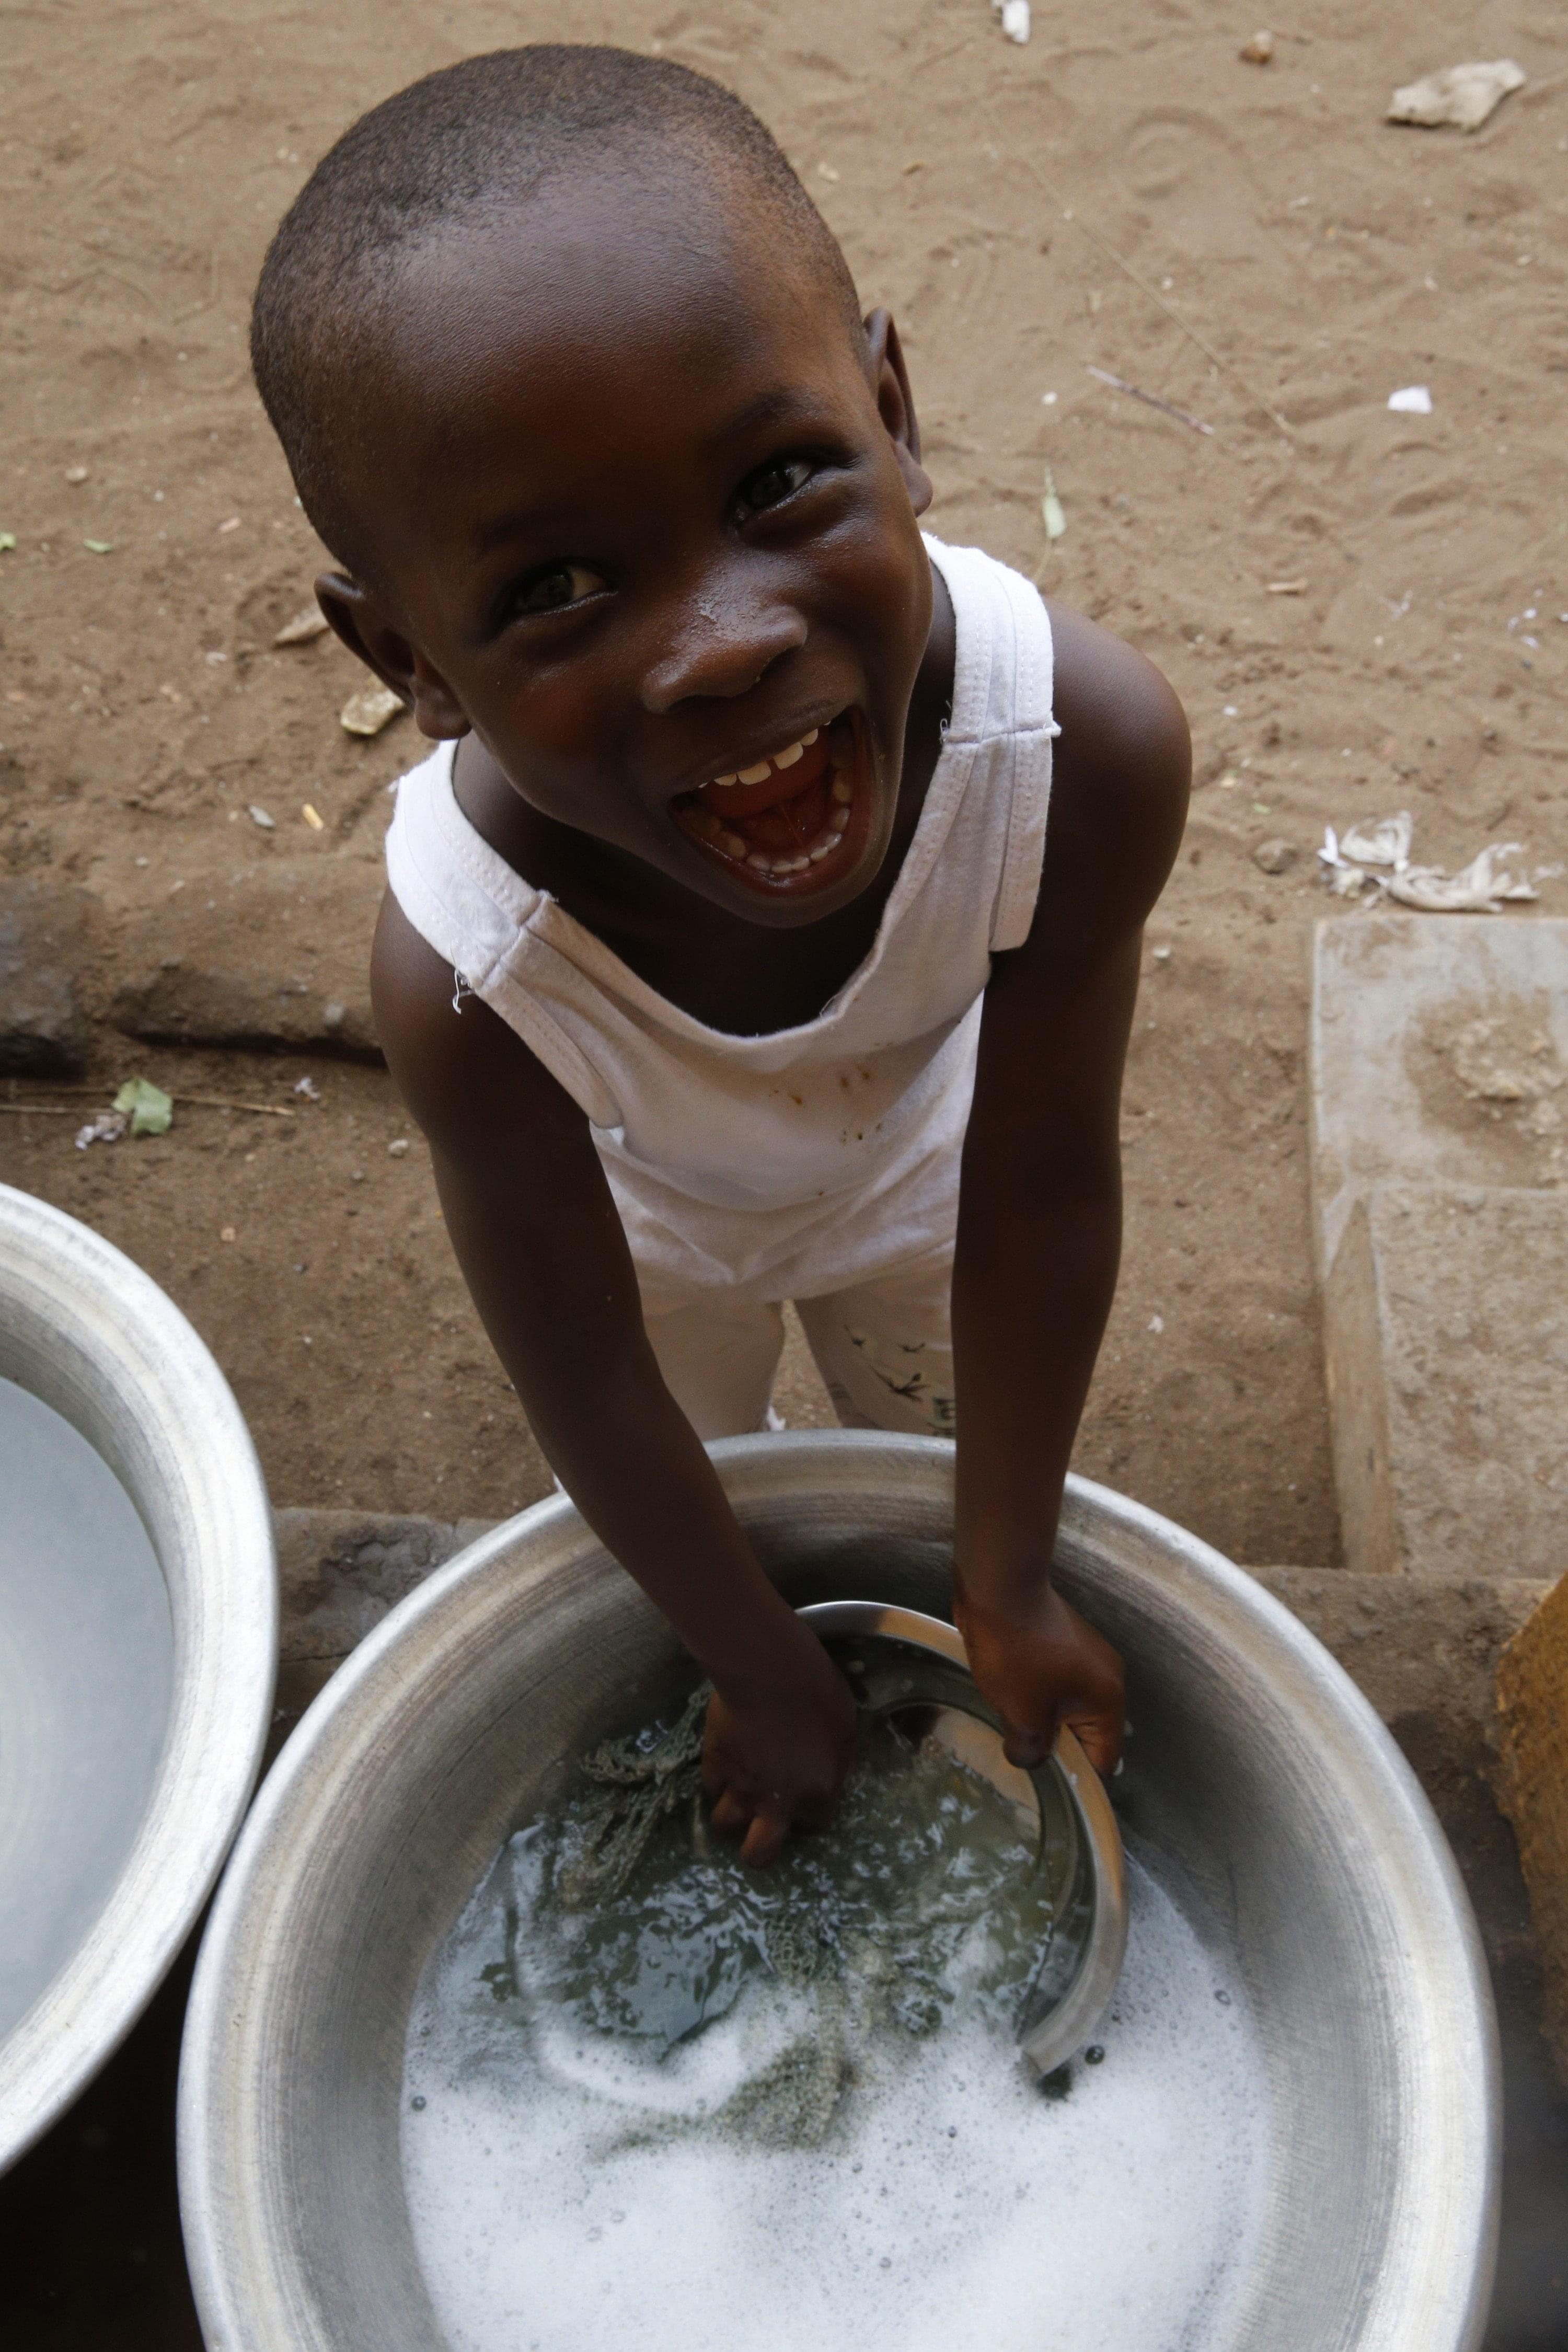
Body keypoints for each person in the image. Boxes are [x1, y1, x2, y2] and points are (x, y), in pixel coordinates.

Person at [251, 44, 1189, 1865]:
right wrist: (757, 1672)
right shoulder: (472, 979)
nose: (721, 646)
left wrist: (1002, 1575)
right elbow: (588, 1377)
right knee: (709, 1471)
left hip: (933, 1180)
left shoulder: (1077, 757)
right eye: (553, 591)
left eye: (779, 480)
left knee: (920, 1464)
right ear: (408, 665)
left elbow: (1046, 1184)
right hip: (650, 1235)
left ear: (895, 408)